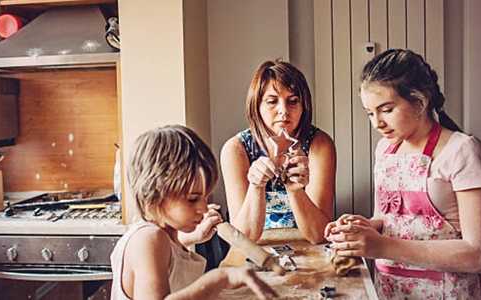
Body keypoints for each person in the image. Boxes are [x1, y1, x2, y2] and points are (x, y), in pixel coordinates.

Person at [325, 49, 481, 299]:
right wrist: (362, 229)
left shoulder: (462, 151)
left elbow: (479, 255)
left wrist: (382, 246)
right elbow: (386, 220)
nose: (377, 123)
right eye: (370, 113)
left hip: (446, 292)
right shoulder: (386, 148)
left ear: (420, 101)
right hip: (390, 289)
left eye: (386, 109)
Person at [110, 125, 277, 300]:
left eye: (205, 197)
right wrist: (221, 278)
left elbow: (172, 260)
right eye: (192, 199)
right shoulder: (148, 240)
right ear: (155, 195)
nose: (204, 208)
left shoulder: (167, 236)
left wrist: (189, 239)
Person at [220, 60, 336, 244]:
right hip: (257, 249)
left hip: (309, 248)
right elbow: (242, 239)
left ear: (304, 105)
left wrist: (295, 190)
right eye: (272, 101)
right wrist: (256, 186)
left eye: (293, 101)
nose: (283, 111)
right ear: (256, 105)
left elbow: (319, 235)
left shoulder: (319, 145)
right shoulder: (236, 150)